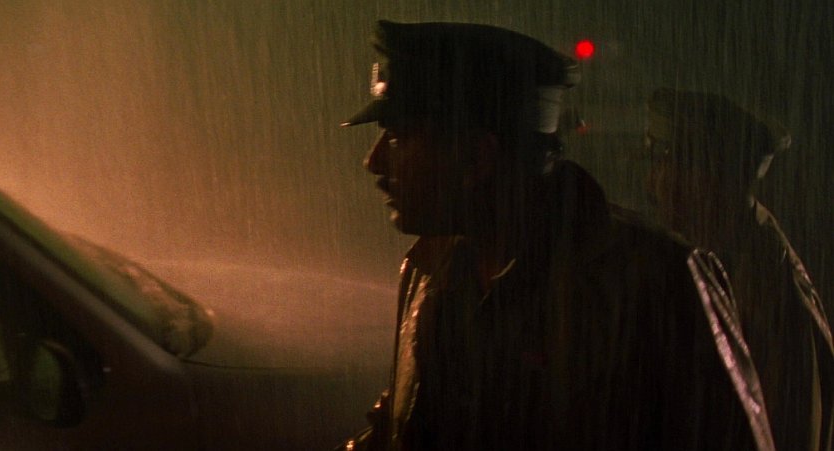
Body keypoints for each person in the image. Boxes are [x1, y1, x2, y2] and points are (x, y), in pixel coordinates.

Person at [338, 20, 773, 450]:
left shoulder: (658, 284)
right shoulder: (430, 271)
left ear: (476, 157)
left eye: (396, 139)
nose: (373, 162)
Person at [645, 88, 834, 451]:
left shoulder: (767, 288)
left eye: (666, 162)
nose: (653, 183)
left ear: (711, 179)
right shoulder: (724, 260)